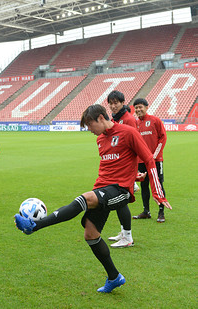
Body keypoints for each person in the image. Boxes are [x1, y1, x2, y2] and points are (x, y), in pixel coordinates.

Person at [14, 105, 171, 293]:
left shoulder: (129, 132)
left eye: (90, 125)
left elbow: (148, 160)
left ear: (100, 118)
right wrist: (134, 175)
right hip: (103, 188)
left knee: (85, 198)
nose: (89, 130)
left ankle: (34, 226)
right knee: (90, 234)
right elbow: (114, 165)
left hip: (121, 191)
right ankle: (114, 277)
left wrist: (158, 193)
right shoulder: (100, 140)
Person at [106, 90, 138, 248]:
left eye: (116, 102)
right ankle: (124, 233)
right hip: (118, 166)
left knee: (121, 200)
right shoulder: (115, 119)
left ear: (123, 102)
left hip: (126, 167)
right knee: (120, 201)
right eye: (111, 103)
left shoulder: (129, 120)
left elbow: (136, 145)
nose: (113, 106)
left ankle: (128, 237)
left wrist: (135, 171)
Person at [132, 98, 168, 222]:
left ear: (147, 107)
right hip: (141, 161)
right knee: (144, 185)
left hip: (156, 160)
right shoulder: (135, 124)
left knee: (159, 184)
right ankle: (146, 211)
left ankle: (161, 212)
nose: (138, 109)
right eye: (136, 107)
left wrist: (154, 155)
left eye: (140, 107)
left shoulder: (155, 120)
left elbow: (163, 138)